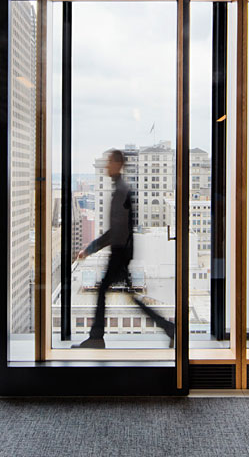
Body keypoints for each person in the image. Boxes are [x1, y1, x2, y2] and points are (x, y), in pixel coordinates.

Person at [73, 149, 175, 349]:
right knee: (131, 297)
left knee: (104, 291)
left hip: (119, 252)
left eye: (110, 162)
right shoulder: (121, 189)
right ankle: (169, 328)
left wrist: (90, 249)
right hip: (122, 252)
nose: (106, 166)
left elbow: (116, 232)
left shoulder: (121, 191)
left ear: (118, 164)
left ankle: (96, 338)